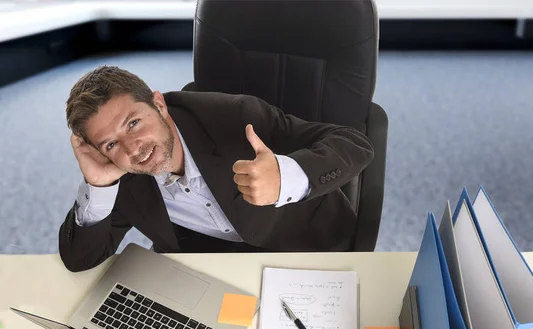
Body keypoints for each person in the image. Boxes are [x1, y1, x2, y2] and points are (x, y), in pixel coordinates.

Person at [59, 66, 374, 272]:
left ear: (159, 104)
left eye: (133, 123)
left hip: (309, 252)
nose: (133, 149)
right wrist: (98, 185)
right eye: (111, 144)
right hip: (216, 271)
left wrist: (286, 175)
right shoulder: (121, 176)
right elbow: (81, 259)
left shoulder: (235, 116)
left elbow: (353, 144)